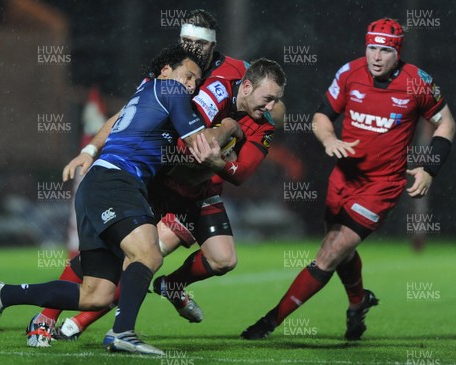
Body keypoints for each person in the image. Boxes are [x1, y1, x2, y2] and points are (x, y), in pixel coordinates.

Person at [0, 44, 242, 355]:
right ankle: (123, 332)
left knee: (96, 295)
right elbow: (200, 146)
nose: (192, 84)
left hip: (97, 186)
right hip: (117, 182)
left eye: (197, 80)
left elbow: (116, 122)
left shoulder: (147, 97)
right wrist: (231, 129)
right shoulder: (171, 90)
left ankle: (3, 294)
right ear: (166, 71)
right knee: (149, 255)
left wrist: (89, 151)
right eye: (188, 75)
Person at [28, 58, 285, 346]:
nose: (271, 108)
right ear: (247, 86)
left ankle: (170, 286)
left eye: (276, 101)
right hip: (162, 185)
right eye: (269, 99)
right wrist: (91, 148)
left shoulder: (265, 120)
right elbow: (185, 141)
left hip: (201, 193)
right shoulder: (208, 87)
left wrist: (222, 146)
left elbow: (239, 171)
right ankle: (54, 320)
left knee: (223, 258)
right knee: (130, 259)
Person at [241, 18, 455, 341]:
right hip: (343, 179)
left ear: (398, 52)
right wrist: (328, 140)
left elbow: (446, 124)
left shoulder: (418, 82)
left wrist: (429, 169)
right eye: (371, 48)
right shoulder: (350, 72)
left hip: (381, 187)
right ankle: (358, 303)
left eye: (385, 50)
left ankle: (269, 322)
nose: (376, 57)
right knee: (341, 251)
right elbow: (321, 116)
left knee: (329, 252)